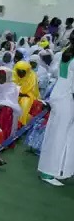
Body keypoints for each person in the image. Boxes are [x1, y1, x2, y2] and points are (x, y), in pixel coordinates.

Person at [38, 48, 74, 186]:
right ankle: (49, 171)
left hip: (59, 94)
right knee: (59, 136)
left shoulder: (65, 53)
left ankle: (59, 169)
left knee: (60, 135)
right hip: (66, 98)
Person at [12, 61, 40, 125]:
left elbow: (30, 91)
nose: (20, 74)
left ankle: (21, 122)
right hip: (17, 94)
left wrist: (19, 93)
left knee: (25, 102)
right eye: (19, 72)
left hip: (30, 96)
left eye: (22, 72)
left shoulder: (32, 76)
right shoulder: (13, 74)